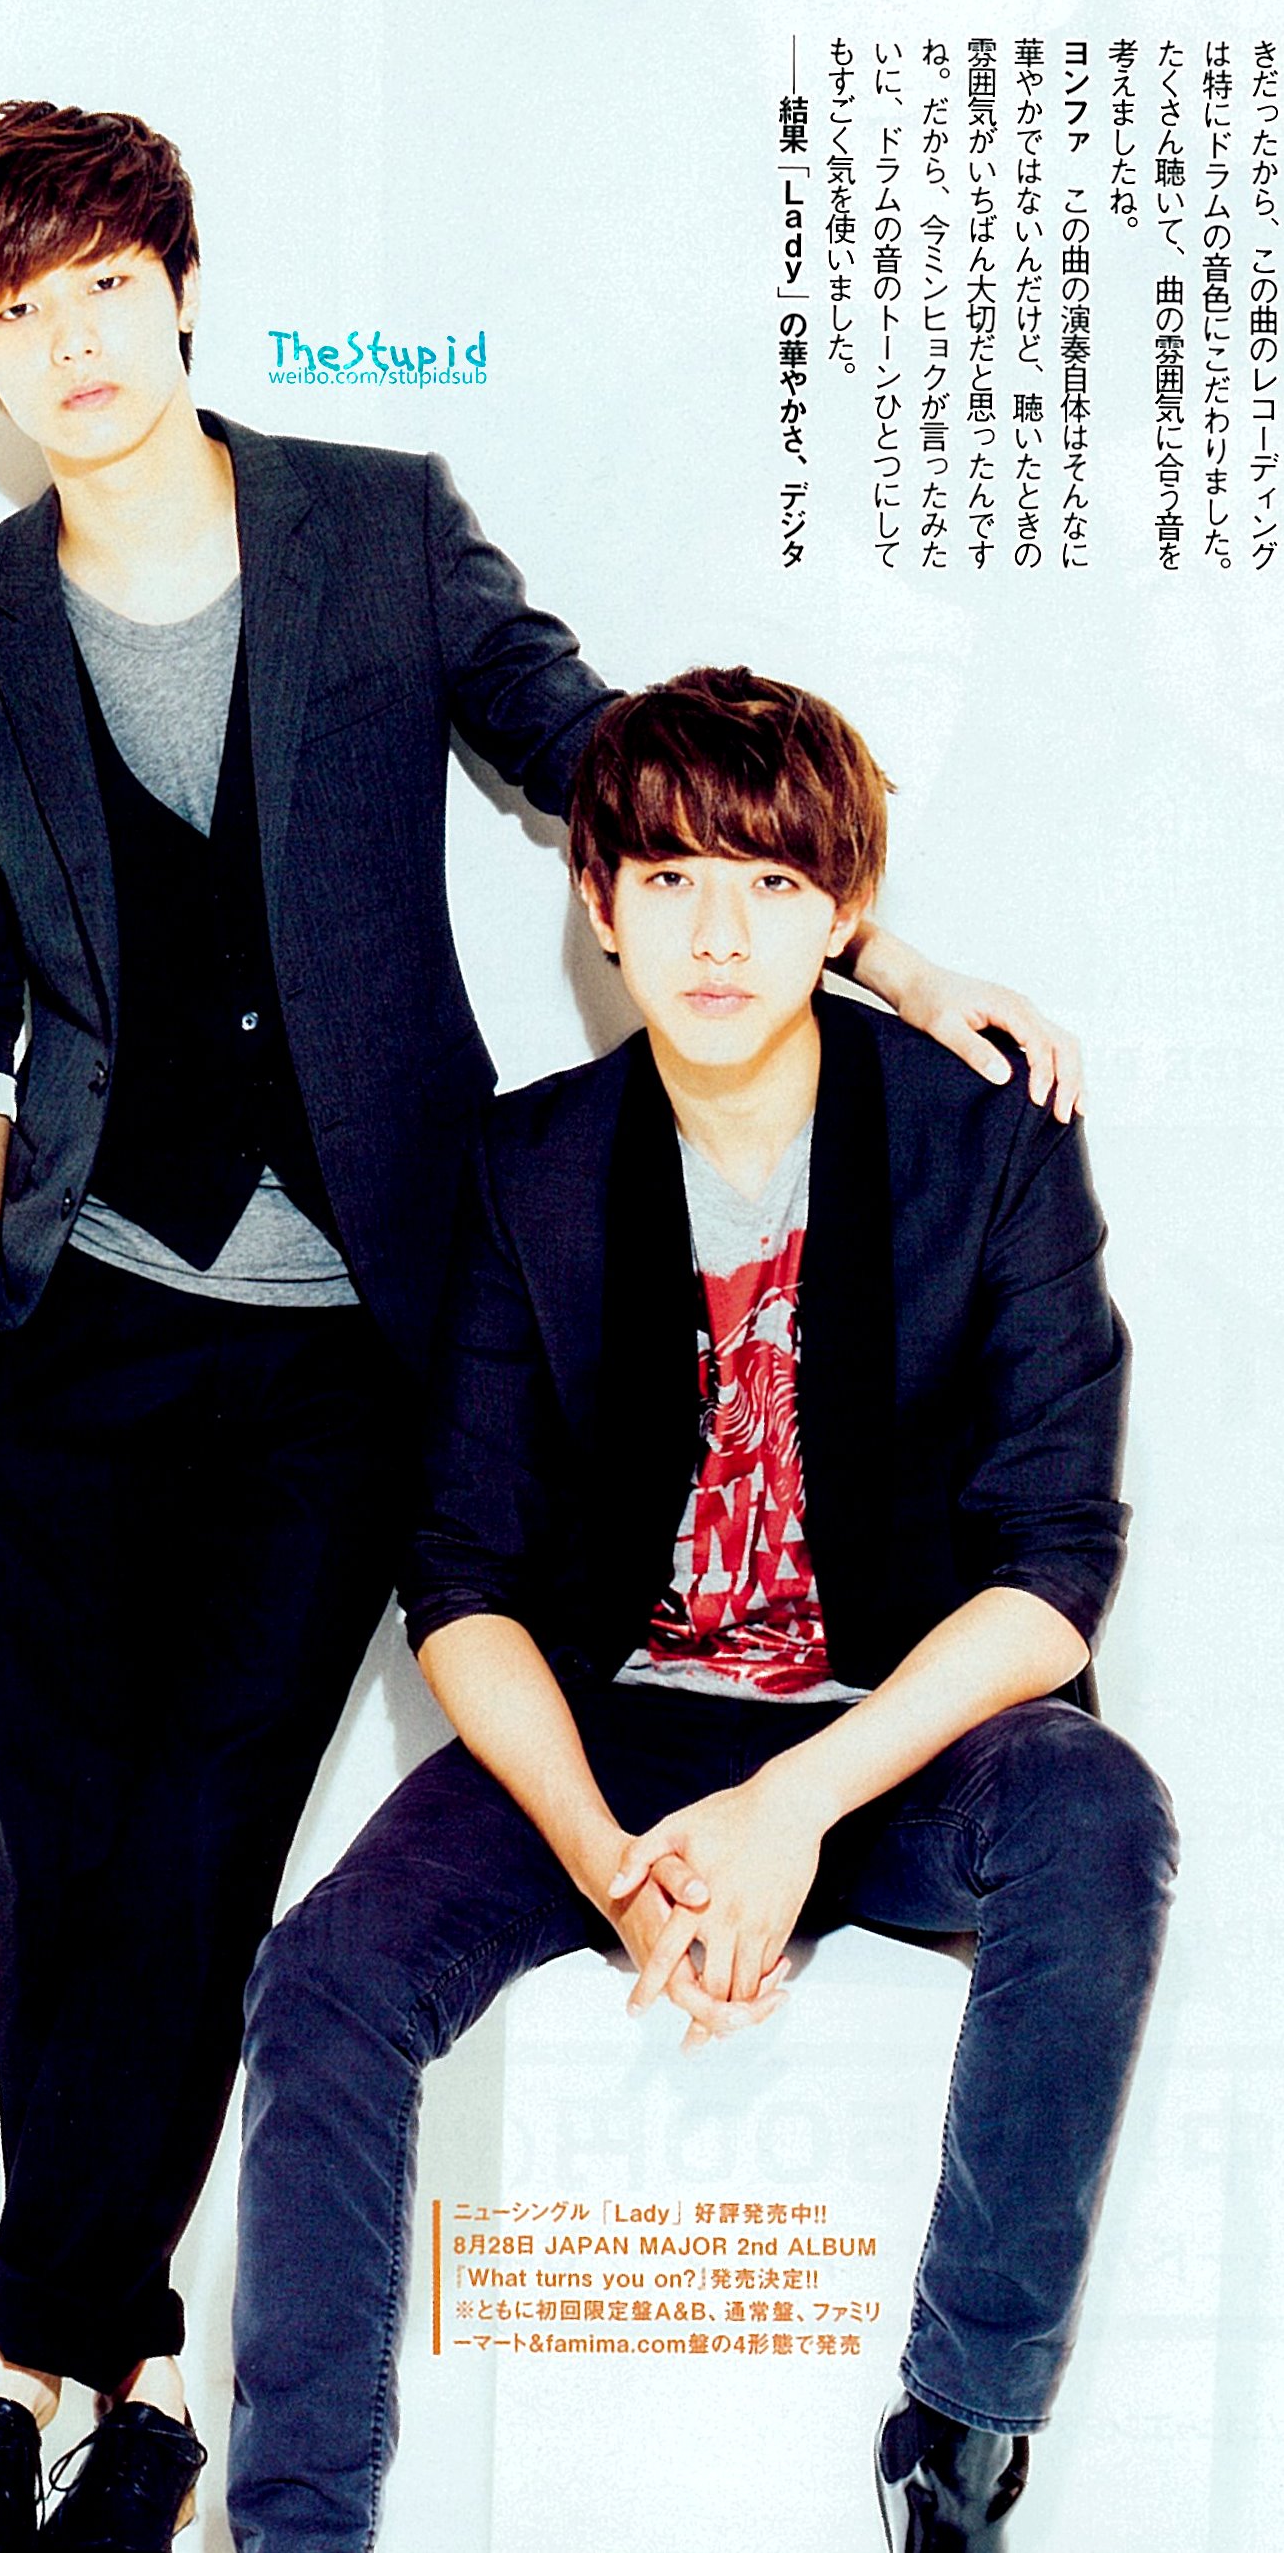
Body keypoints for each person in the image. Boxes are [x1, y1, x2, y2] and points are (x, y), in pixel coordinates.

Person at [0, 98, 1087, 2553]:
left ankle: (27, 2352)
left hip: (358, 1307)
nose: (74, 340)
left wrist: (888, 952)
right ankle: (110, 2378)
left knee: (207, 1824)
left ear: (179, 290)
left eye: (106, 284)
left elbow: (607, 769)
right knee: (63, 1841)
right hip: (74, 1318)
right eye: (19, 312)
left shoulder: (376, 525)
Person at [232, 669, 1178, 2552]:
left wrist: (791, 1805)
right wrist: (608, 1860)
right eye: (667, 880)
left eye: (768, 882)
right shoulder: (527, 1164)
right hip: (619, 1737)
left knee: (1098, 1813)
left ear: (843, 911)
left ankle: (960, 2439)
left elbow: (1054, 1566)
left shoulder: (984, 1141)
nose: (718, 934)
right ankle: (298, 2532)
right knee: (323, 1980)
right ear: (598, 903)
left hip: (885, 1739)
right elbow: (463, 1579)